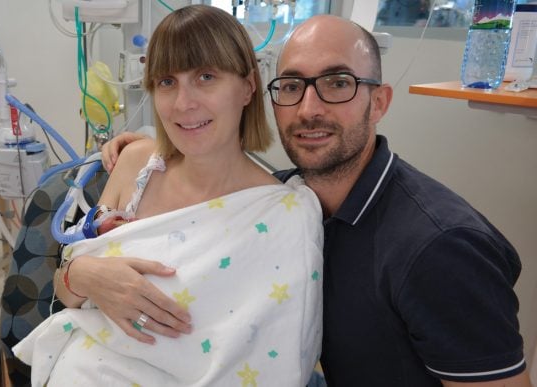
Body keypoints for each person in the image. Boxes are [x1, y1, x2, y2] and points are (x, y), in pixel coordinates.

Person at [98, 14, 532, 387]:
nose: (308, 108)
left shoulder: (438, 247)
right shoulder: (284, 199)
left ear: (378, 101)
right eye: (291, 86)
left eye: (337, 82)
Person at [12, 5, 324, 386]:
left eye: (205, 77)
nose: (182, 103)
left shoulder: (284, 216)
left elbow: (277, 362)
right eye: (166, 82)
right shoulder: (136, 165)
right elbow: (66, 294)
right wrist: (82, 274)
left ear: (247, 86)